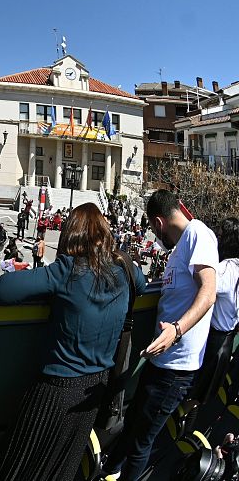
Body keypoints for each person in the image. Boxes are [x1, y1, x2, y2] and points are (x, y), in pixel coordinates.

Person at [0, 203, 146, 481]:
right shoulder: (125, 271)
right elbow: (141, 284)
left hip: (55, 391)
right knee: (61, 470)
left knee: (19, 468)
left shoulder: (68, 270)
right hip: (95, 392)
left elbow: (3, 290)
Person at [103, 190, 218, 481]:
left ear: (158, 222)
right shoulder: (179, 248)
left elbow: (209, 293)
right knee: (134, 425)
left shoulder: (198, 235)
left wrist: (177, 330)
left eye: (154, 231)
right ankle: (110, 469)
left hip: (176, 369)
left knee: (143, 441)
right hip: (161, 362)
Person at [189, 217, 239, 405]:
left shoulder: (226, 269)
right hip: (226, 344)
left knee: (194, 396)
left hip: (212, 344)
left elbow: (201, 283)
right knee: (203, 398)